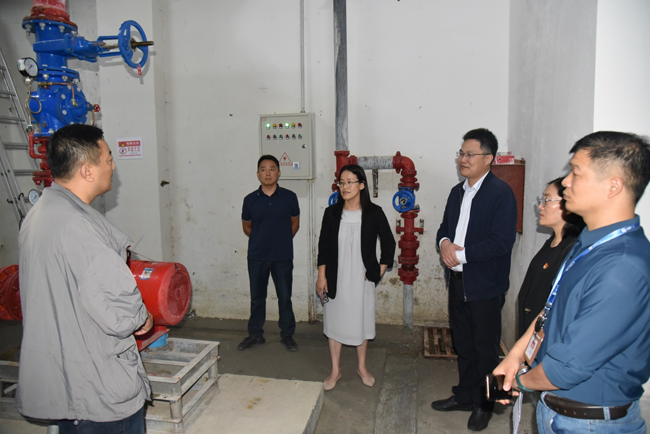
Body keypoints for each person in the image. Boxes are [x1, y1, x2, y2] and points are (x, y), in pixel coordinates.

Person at [494, 131, 650, 434]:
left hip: (590, 423)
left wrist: (518, 382)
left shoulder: (622, 267)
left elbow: (565, 369)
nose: (565, 181)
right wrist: (515, 356)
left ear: (613, 186)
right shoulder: (588, 244)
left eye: (576, 172)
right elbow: (550, 310)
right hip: (558, 411)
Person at [16, 124, 153, 433]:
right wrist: (143, 317)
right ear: (88, 171)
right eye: (108, 159)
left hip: (65, 381)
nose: (113, 167)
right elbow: (120, 313)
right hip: (96, 390)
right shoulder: (79, 228)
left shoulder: (41, 213)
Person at [432, 128, 517, 431]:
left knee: (486, 349)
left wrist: (461, 255)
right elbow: (445, 228)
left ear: (489, 158)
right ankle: (465, 396)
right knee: (463, 344)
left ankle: (486, 404)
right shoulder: (457, 192)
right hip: (458, 282)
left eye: (470, 154)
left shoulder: (501, 194)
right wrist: (444, 243)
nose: (463, 159)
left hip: (485, 285)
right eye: (461, 153)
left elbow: (501, 242)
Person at [316, 164, 396, 391]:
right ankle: (335, 370)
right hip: (335, 276)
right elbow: (323, 247)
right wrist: (321, 276)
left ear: (362, 185)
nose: (345, 187)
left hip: (362, 278)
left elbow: (389, 243)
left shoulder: (374, 213)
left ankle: (362, 367)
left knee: (361, 320)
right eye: (342, 182)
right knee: (334, 320)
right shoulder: (331, 214)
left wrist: (378, 271)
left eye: (350, 182)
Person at [239, 155, 300, 352]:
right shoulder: (250, 200)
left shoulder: (290, 197)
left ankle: (287, 335)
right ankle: (255, 335)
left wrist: (281, 240)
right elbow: (247, 227)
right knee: (257, 298)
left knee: (285, 297)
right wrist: (261, 240)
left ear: (279, 173)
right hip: (257, 256)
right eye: (263, 169)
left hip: (283, 256)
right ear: (258, 174)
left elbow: (294, 224)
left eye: (272, 169)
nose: (268, 173)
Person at [517, 177, 585, 337]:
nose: (540, 206)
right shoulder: (553, 241)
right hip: (530, 333)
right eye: (542, 200)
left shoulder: (573, 250)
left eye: (547, 200)